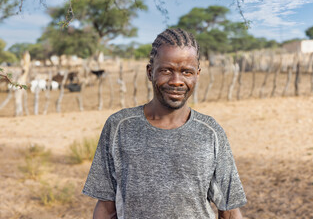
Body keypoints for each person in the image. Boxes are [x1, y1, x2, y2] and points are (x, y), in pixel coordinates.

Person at [83, 28, 247, 219]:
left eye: (187, 72)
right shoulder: (120, 127)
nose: (177, 81)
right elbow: (106, 208)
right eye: (166, 70)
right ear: (150, 72)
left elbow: (229, 210)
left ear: (197, 75)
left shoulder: (210, 132)